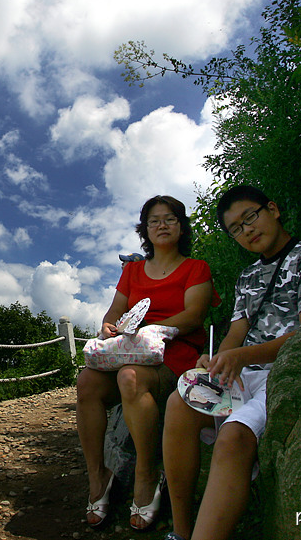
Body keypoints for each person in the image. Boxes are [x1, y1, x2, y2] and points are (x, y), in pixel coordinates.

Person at [160, 185, 301, 540]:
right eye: (236, 229)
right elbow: (236, 332)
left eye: (250, 217)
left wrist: (242, 357)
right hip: (244, 372)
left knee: (234, 436)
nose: (247, 230)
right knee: (178, 403)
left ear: (272, 209)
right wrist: (216, 360)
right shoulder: (248, 277)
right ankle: (181, 531)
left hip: (285, 372)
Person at [77, 195, 218, 531]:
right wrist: (109, 326)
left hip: (174, 356)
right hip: (129, 350)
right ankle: (98, 476)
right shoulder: (133, 270)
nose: (162, 225)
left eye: (169, 218)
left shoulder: (196, 268)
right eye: (154, 220)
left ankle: (146, 473)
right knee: (86, 382)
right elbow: (115, 311)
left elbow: (194, 315)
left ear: (181, 226)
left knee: (129, 378)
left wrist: (156, 328)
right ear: (145, 229)